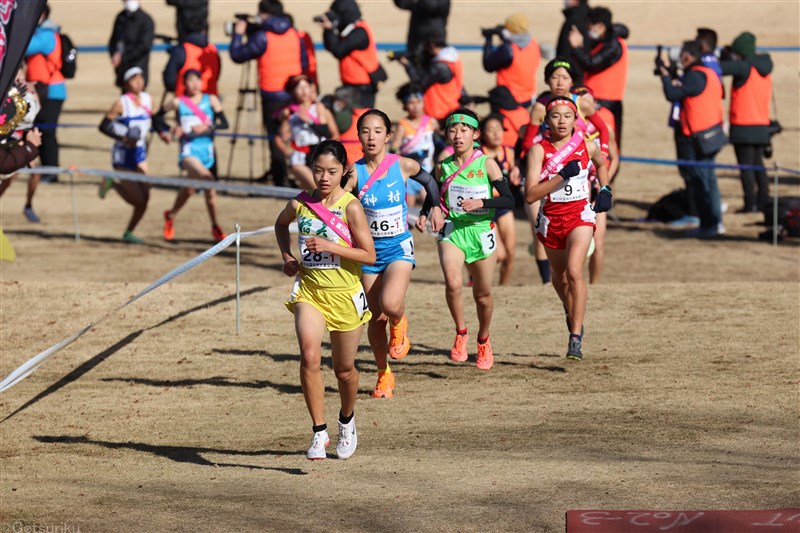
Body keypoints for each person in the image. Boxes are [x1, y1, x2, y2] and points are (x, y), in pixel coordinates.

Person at [274, 139, 376, 460]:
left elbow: (368, 254)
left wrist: (332, 247)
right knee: (309, 357)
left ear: (344, 171)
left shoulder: (351, 206)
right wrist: (287, 256)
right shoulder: (300, 203)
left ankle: (346, 419)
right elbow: (280, 225)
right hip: (310, 293)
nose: (324, 178)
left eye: (332, 171)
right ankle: (319, 432)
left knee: (344, 370)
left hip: (345, 295)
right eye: (318, 170)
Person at [344, 109, 442, 398]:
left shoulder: (403, 165)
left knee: (390, 304)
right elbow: (339, 201)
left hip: (398, 246)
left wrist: (430, 208)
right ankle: (383, 373)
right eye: (365, 131)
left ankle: (400, 321)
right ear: (359, 136)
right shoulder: (354, 172)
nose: (371, 137)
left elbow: (431, 183)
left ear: (388, 136)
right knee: (374, 318)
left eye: (377, 131)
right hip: (369, 253)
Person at [525, 97, 611, 360]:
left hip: (580, 216)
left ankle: (575, 337)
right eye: (555, 116)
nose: (562, 121)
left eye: (567, 116)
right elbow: (530, 195)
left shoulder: (586, 145)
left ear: (576, 120)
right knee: (559, 276)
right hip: (552, 219)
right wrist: (561, 176)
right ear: (546, 120)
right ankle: (569, 309)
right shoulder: (538, 150)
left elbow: (601, 162)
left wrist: (605, 188)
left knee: (575, 271)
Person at [436, 108, 514, 370]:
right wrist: (430, 211)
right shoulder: (443, 166)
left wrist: (483, 201)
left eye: (464, 130)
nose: (458, 135)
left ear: (475, 134)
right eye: (453, 130)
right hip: (454, 230)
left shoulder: (487, 163)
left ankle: (483, 339)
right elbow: (432, 198)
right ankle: (461, 333)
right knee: (453, 283)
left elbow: (509, 199)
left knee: (483, 295)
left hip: (481, 231)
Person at [229, 0, 310, 187]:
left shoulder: (262, 36)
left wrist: (238, 34)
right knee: (295, 136)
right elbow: (304, 62)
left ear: (265, 14)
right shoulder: (294, 33)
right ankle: (288, 173)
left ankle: (280, 179)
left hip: (272, 94)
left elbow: (238, 55)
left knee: (276, 137)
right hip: (294, 92)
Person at [658, 40, 726, 238]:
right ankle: (712, 223)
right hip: (710, 133)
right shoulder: (707, 73)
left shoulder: (695, 76)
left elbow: (672, 94)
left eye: (681, 57)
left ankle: (711, 224)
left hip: (699, 137)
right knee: (708, 181)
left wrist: (664, 77)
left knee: (703, 182)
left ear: (688, 56)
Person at [97, 67, 167, 244]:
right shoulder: (121, 103)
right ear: (127, 83)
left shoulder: (148, 99)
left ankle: (129, 232)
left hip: (139, 152)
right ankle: (112, 183)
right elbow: (103, 126)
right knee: (137, 199)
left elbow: (156, 119)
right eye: (134, 80)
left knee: (146, 198)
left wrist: (164, 132)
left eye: (141, 79)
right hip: (123, 154)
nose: (139, 83)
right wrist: (123, 137)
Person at [159, 69, 229, 243]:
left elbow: (224, 124)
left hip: (207, 151)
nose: (195, 83)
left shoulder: (211, 100)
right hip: (188, 151)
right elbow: (157, 118)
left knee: (190, 188)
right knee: (208, 179)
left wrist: (208, 128)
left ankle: (171, 214)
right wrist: (170, 130)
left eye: (197, 79)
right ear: (184, 83)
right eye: (190, 80)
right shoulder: (177, 102)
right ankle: (216, 226)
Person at [721, 32, 774, 213]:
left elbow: (720, 68)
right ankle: (764, 200)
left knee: (746, 168)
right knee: (758, 166)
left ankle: (750, 203)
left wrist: (723, 57)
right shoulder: (763, 68)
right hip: (761, 124)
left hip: (743, 125)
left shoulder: (744, 68)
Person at [568, 6, 627, 149]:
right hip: (594, 98)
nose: (589, 31)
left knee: (607, 141)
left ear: (600, 26)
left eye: (590, 27)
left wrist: (577, 47)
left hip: (607, 101)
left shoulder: (614, 45)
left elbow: (591, 64)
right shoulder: (603, 43)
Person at [25, 5, 66, 186]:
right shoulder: (40, 32)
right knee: (39, 131)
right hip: (40, 89)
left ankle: (51, 172)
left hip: (52, 90)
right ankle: (41, 170)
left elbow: (27, 47)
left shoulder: (47, 34)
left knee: (47, 132)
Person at [318, 0, 385, 109]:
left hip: (362, 87)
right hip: (352, 85)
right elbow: (332, 47)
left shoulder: (359, 32)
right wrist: (328, 30)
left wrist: (331, 29)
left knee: (360, 120)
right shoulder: (350, 29)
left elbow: (338, 50)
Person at [480, 113, 521, 286]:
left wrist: (517, 172)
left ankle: (503, 287)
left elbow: (517, 173)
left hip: (503, 206)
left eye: (499, 129)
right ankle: (477, 275)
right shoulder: (478, 155)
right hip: (486, 208)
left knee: (511, 253)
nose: (497, 133)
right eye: (491, 130)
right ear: (482, 134)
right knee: (500, 254)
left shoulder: (509, 153)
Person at [281, 74, 339, 190]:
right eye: (299, 88)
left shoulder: (319, 108)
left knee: (313, 192)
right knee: (316, 188)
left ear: (312, 88)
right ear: (293, 91)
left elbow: (332, 134)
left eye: (306, 87)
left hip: (319, 154)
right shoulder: (290, 111)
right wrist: (287, 150)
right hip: (299, 157)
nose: (303, 91)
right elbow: (281, 137)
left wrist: (308, 121)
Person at [391, 82, 438, 206]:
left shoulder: (431, 122)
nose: (415, 107)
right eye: (411, 103)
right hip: (409, 173)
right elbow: (394, 147)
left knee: (430, 205)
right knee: (409, 208)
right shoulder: (403, 125)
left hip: (427, 171)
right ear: (405, 105)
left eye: (418, 102)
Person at [400, 32, 464, 124]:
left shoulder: (439, 66)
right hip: (449, 106)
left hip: (439, 111)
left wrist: (408, 65)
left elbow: (419, 82)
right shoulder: (453, 60)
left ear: (432, 46)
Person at [482, 13, 541, 108]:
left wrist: (488, 40)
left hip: (509, 100)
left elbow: (488, 65)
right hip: (529, 98)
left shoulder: (508, 49)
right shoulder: (534, 44)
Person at [163, 15, 220, 96]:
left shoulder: (181, 50)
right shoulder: (213, 50)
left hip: (186, 104)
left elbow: (169, 80)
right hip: (210, 102)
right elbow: (216, 75)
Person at [108, 0, 155, 89]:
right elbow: (113, 40)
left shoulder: (145, 20)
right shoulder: (121, 18)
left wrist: (124, 57)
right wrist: (114, 54)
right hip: (122, 68)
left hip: (138, 65)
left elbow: (144, 46)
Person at [392, 0, 450, 67]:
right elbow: (403, 3)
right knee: (416, 74)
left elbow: (431, 6)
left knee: (429, 75)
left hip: (432, 48)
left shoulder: (440, 2)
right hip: (416, 46)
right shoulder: (420, 4)